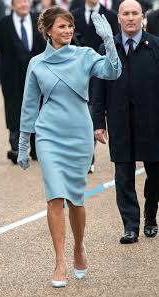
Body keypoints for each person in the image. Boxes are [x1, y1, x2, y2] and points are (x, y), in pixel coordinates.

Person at [17, 6, 121, 287]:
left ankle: (78, 248)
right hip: (49, 134)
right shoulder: (36, 64)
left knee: (76, 199)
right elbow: (29, 105)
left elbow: (113, 72)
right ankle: (60, 261)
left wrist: (109, 40)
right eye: (61, 27)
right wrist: (23, 143)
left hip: (78, 134)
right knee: (54, 197)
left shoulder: (85, 55)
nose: (67, 31)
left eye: (70, 26)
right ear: (48, 30)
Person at [92, 0, 159, 244]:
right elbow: (97, 89)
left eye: (135, 13)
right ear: (118, 18)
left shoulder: (156, 47)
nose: (130, 18)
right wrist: (98, 123)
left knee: (156, 175)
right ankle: (131, 226)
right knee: (123, 176)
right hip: (120, 121)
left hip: (152, 123)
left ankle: (151, 215)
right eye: (126, 14)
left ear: (143, 17)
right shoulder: (106, 48)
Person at [0, 0, 45, 164]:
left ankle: (36, 149)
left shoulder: (39, 21)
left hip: (38, 77)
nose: (23, 5)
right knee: (14, 112)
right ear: (12, 5)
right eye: (19, 2)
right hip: (12, 78)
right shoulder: (1, 25)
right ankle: (16, 148)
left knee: (38, 109)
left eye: (26, 1)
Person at [72, 0, 118, 173]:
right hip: (78, 71)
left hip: (100, 72)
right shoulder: (74, 14)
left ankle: (88, 156)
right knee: (78, 114)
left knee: (91, 113)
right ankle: (83, 155)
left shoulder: (111, 15)